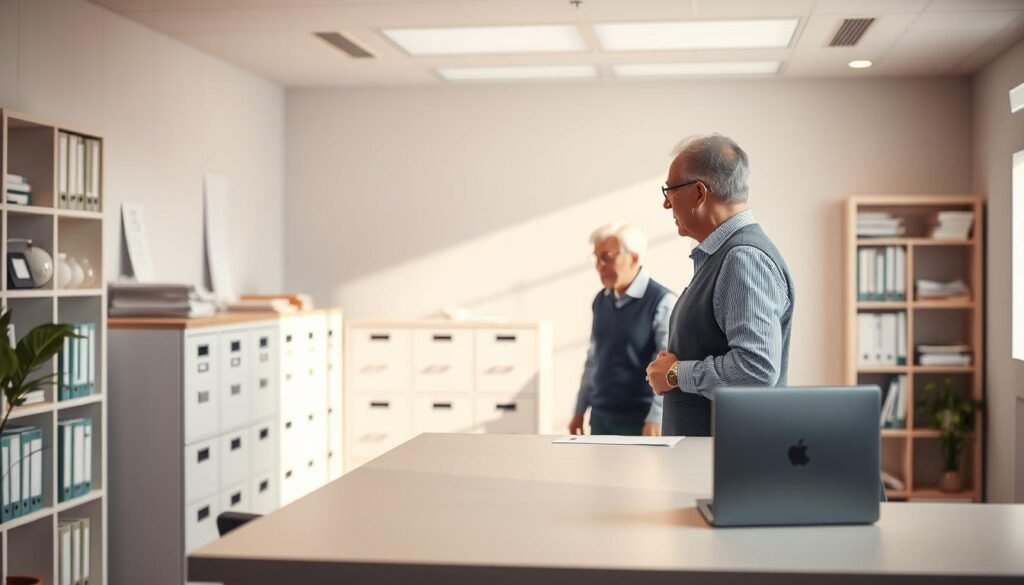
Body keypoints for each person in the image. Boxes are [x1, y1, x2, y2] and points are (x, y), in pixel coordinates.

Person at [646, 133, 795, 437]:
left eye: (670, 190)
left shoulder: (743, 259)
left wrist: (676, 374)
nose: (666, 203)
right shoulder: (726, 256)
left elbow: (756, 371)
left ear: (699, 194)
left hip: (725, 462)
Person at [570, 223, 677, 436]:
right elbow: (593, 360)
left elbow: (669, 365)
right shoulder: (600, 301)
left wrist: (656, 417)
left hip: (641, 421)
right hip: (600, 419)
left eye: (607, 257)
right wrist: (579, 410)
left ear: (634, 257)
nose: (599, 265)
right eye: (596, 258)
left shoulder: (662, 302)